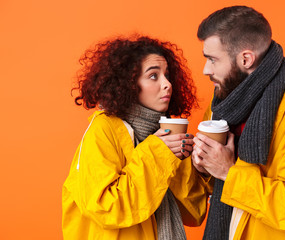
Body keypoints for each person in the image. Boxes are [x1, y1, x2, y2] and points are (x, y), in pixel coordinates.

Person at [192, 6, 285, 240]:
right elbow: (212, 192)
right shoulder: (222, 105)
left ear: (246, 59)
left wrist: (228, 172)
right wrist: (204, 168)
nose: (205, 69)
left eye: (212, 59)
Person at [62, 35, 209, 240]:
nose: (167, 84)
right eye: (153, 76)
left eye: (167, 75)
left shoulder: (163, 134)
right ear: (128, 83)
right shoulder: (103, 129)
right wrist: (157, 153)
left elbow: (195, 213)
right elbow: (106, 208)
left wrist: (192, 166)